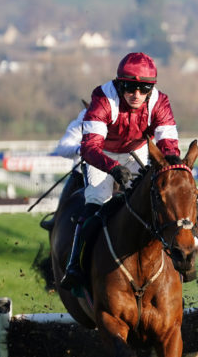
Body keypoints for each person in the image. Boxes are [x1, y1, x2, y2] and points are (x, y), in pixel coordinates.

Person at [60, 52, 181, 291]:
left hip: (137, 152)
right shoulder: (103, 97)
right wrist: (113, 168)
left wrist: (172, 163)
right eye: (129, 87)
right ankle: (76, 265)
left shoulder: (160, 101)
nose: (136, 95)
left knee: (153, 202)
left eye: (144, 88)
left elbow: (168, 143)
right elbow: (89, 147)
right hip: (102, 154)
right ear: (119, 83)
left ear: (151, 88)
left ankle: (174, 265)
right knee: (95, 202)